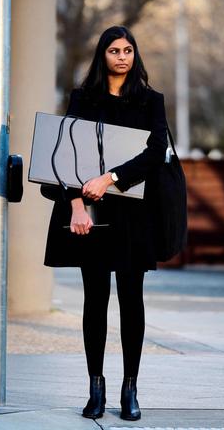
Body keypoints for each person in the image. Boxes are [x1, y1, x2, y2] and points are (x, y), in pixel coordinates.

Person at [42, 25, 168, 421]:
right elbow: (65, 155)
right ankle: (96, 387)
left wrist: (110, 177)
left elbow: (155, 151)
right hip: (91, 216)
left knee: (132, 300)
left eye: (128, 50)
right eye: (114, 50)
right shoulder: (84, 98)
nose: (122, 56)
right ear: (103, 56)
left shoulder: (151, 101)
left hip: (133, 214)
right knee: (94, 301)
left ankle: (130, 388)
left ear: (135, 55)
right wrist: (77, 205)